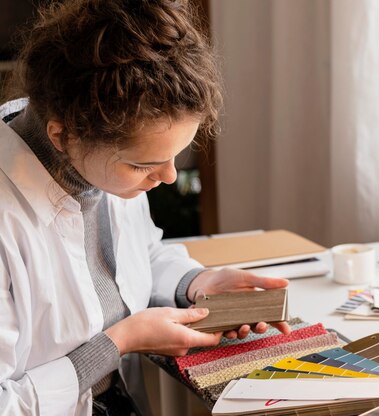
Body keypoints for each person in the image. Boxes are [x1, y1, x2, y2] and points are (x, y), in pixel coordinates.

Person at [0, 0, 289, 414]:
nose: (168, 177)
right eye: (144, 164)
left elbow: (140, 255)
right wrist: (120, 342)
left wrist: (196, 283)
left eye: (175, 157)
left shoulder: (100, 166)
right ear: (62, 136)